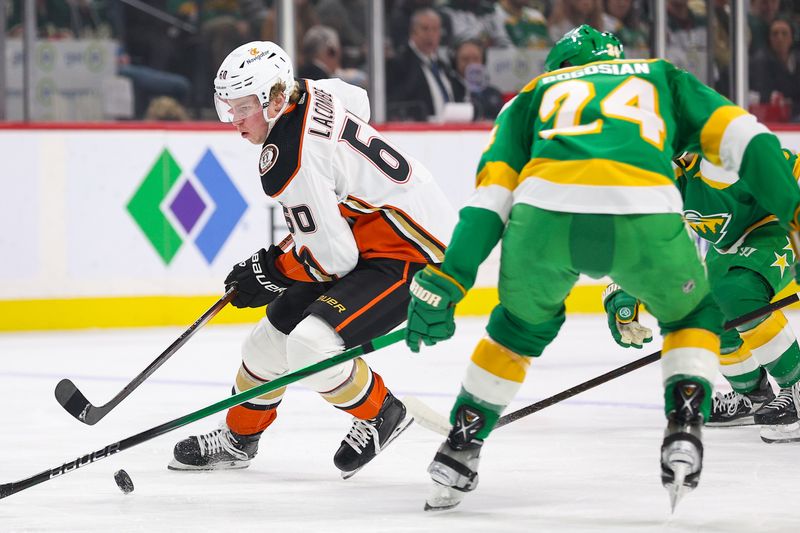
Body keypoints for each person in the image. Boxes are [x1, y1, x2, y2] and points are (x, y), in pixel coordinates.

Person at [404, 25, 800, 511]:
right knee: (697, 313)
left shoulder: (530, 97)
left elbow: (490, 202)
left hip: (555, 221)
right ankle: (702, 416)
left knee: (515, 331)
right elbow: (748, 142)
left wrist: (450, 277)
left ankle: (460, 448)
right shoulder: (659, 82)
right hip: (668, 224)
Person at [169, 41, 457, 478]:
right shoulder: (309, 91)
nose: (235, 121)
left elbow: (332, 258)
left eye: (244, 107)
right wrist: (276, 264)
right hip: (377, 233)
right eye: (228, 107)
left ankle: (383, 412)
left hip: (416, 252)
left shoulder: (286, 158)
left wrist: (270, 271)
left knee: (310, 347)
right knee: (265, 344)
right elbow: (357, 100)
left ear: (276, 98)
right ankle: (238, 439)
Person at [602, 152, 800, 442]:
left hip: (776, 227)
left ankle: (796, 387)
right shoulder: (664, 175)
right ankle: (752, 396)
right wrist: (623, 291)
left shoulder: (726, 154)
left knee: (737, 292)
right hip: (731, 244)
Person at [387, 7, 466, 121]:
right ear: (413, 32)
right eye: (425, 29)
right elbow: (395, 103)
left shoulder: (442, 66)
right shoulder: (397, 64)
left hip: (448, 131)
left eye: (435, 29)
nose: (430, 34)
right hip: (417, 133)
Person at [750, 18, 800, 121]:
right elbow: (764, 93)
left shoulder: (797, 60)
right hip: (774, 118)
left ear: (791, 38)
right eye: (775, 34)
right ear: (769, 38)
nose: (780, 38)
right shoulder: (761, 62)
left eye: (784, 33)